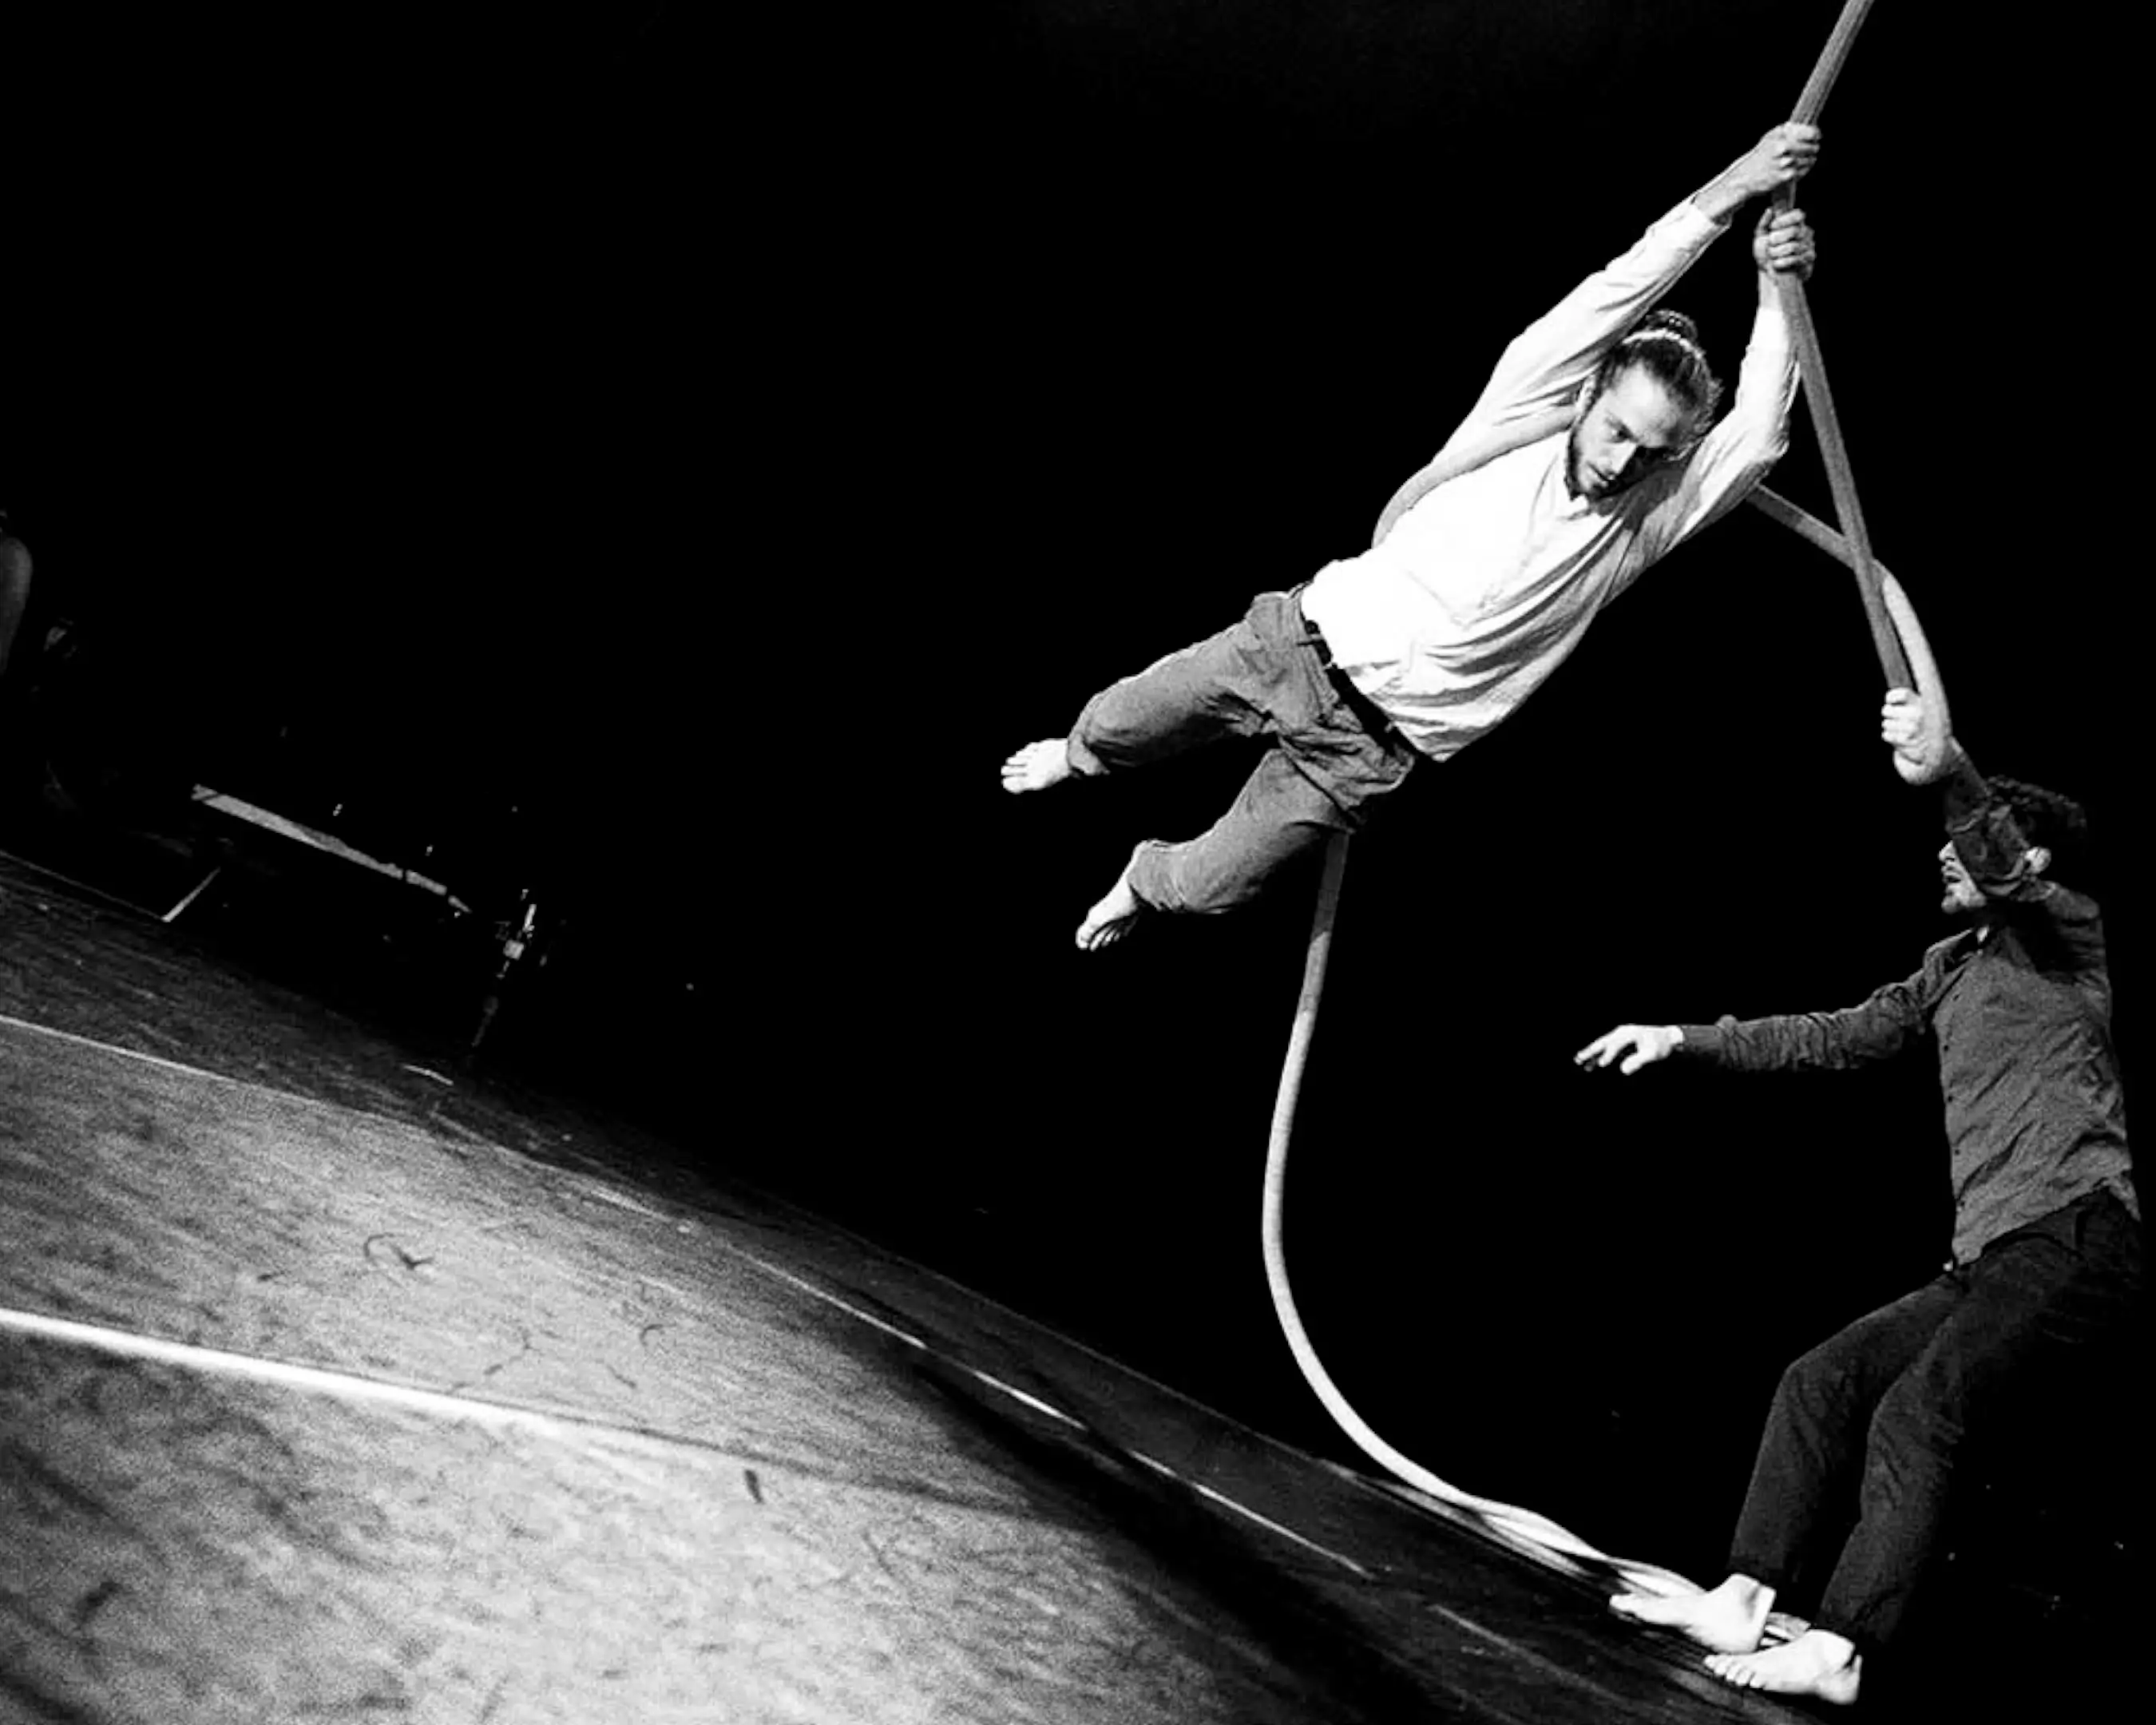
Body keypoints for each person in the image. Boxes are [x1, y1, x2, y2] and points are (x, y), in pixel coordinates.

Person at [1001, 122, 1821, 950]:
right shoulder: (1523, 411)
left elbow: (1755, 434)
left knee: (1214, 889)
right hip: (1297, 645)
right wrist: (1737, 186)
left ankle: (1141, 880)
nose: (1621, 462)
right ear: (1590, 396)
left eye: (1651, 452)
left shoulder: (1647, 518)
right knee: (1124, 721)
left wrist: (1774, 284)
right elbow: (1618, 286)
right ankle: (1079, 756)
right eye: (1615, 430)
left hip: (1367, 749)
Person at [1577, 688, 2142, 1705]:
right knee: (1821, 1382)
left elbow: (1999, 857)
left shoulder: (2069, 941)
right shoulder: (1950, 970)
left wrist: (1951, 765)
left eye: (1960, 846)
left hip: (2079, 1237)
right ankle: (1747, 1593)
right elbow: (1830, 1037)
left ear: (2035, 863)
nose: (1941, 856)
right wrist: (1683, 1039)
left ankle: (1841, 1649)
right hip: (1992, 1254)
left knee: (1922, 1415)